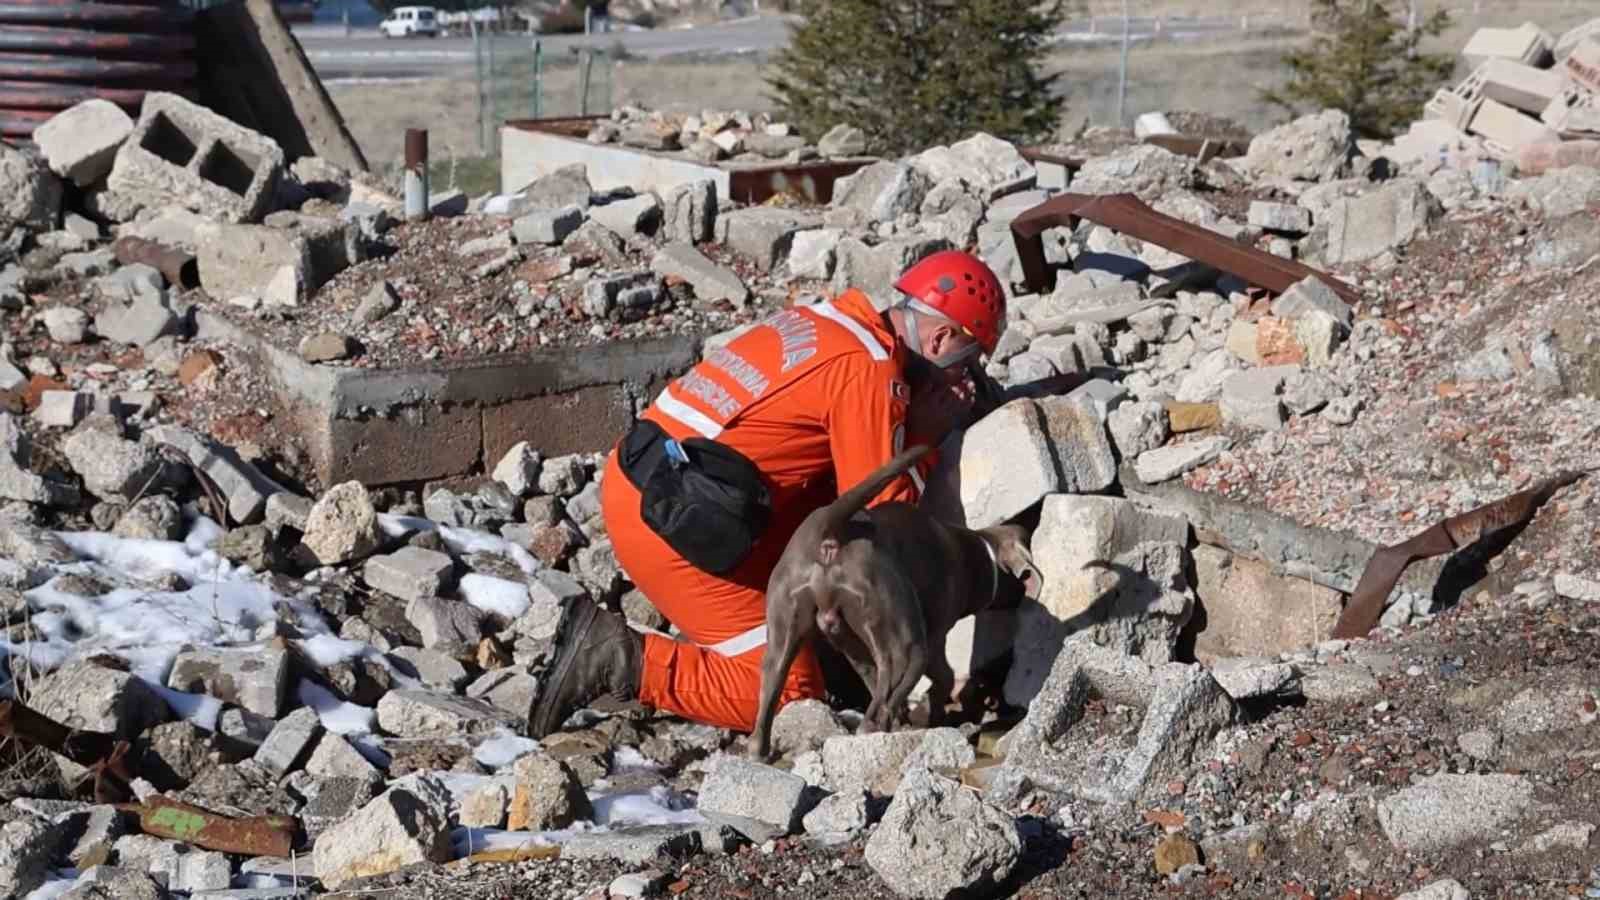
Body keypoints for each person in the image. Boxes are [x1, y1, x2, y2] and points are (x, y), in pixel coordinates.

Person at [527, 249, 1009, 739]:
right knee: (792, 690)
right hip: (673, 525)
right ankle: (620, 657)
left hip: (648, 475)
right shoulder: (869, 373)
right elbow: (884, 527)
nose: (964, 378)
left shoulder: (831, 320)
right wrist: (923, 440)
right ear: (940, 338)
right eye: (968, 362)